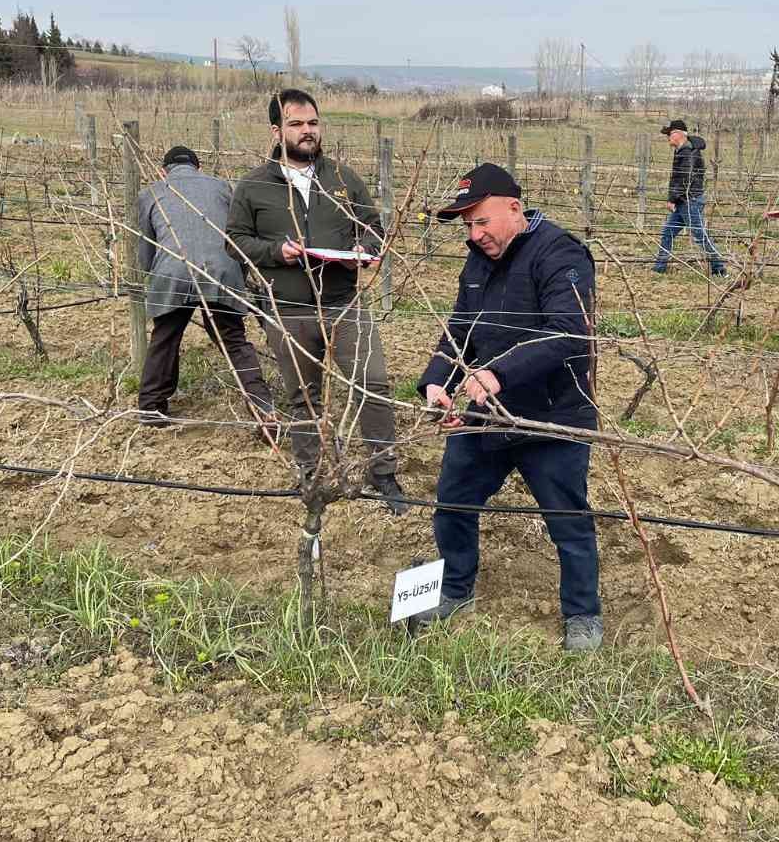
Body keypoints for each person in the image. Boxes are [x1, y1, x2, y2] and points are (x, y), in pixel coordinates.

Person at [412, 163, 604, 652]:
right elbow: (459, 328)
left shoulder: (560, 254)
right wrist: (438, 381)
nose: (475, 235)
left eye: (482, 222)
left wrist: (499, 372)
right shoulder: (478, 259)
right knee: (453, 502)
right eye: (467, 226)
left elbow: (569, 332)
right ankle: (455, 591)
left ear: (514, 208)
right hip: (485, 415)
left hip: (551, 415)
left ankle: (582, 614)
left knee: (568, 520)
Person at [225, 89, 406, 514]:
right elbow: (234, 241)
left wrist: (366, 247)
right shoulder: (253, 186)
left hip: (344, 303)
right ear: (276, 130)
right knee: (304, 396)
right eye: (296, 124)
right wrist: (276, 253)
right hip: (289, 310)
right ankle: (310, 473)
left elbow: (373, 226)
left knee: (373, 384)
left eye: (313, 123)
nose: (307, 132)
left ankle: (384, 474)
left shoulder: (343, 179)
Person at [135, 145, 275, 434]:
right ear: (199, 168)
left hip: (172, 271)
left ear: (164, 170)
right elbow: (240, 233)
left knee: (165, 337)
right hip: (222, 270)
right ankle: (264, 410)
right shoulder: (222, 187)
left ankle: (151, 407)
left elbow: (146, 252)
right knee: (234, 341)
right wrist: (238, 276)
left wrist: (156, 280)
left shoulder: (152, 192)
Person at [652, 119, 726, 276]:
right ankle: (659, 268)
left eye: (670, 134)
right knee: (668, 232)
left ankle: (719, 269)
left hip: (689, 200)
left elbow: (685, 179)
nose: (668, 138)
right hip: (684, 200)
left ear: (678, 134)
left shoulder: (688, 152)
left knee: (700, 236)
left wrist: (672, 199)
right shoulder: (683, 150)